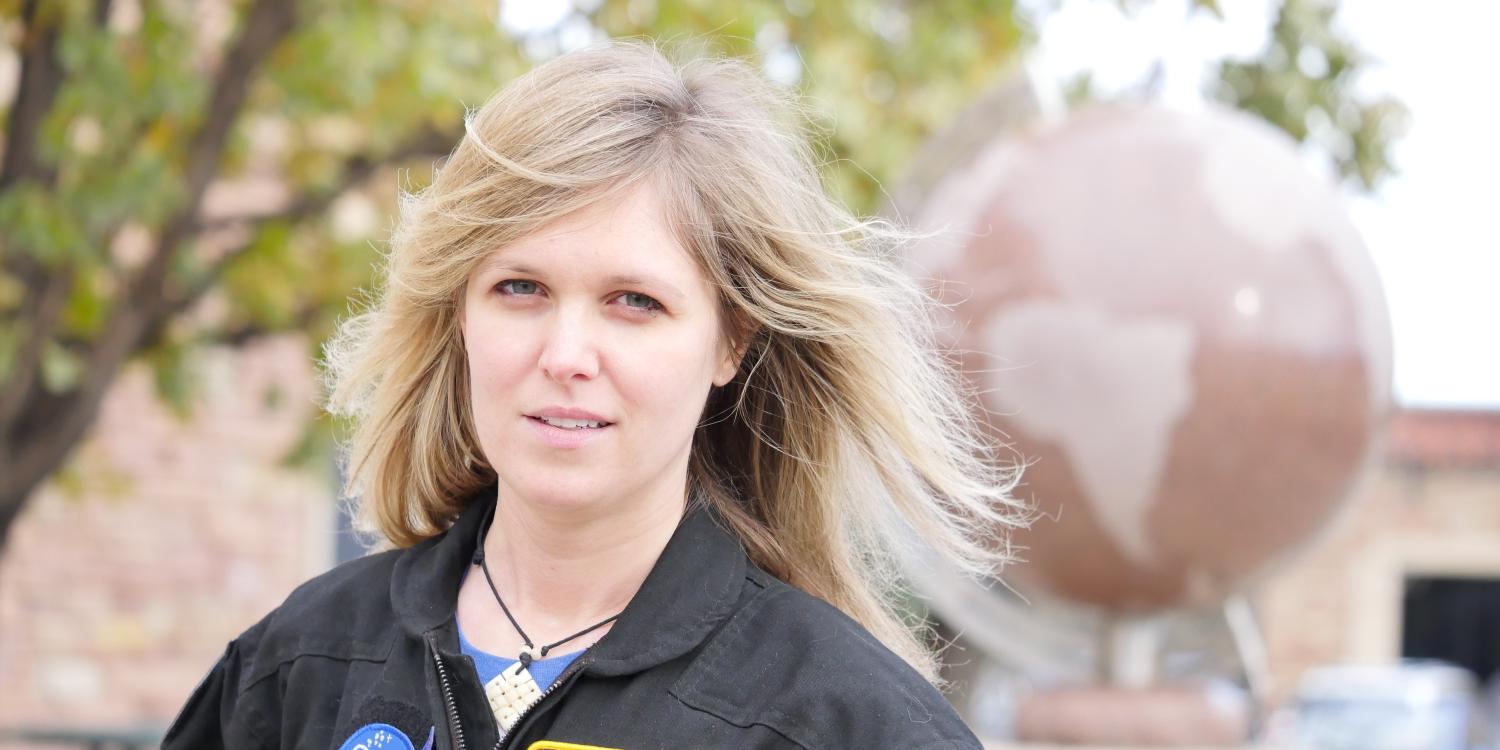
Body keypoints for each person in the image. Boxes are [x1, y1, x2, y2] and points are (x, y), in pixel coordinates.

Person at [164, 40, 1027, 750]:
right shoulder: (301, 668)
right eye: (520, 289)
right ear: (458, 316)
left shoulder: (842, 723)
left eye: (634, 303)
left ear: (731, 341)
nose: (567, 354)